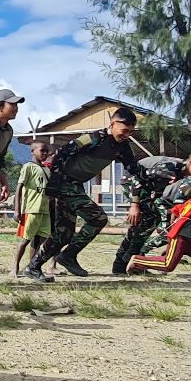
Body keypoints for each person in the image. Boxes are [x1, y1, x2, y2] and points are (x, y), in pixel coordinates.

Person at [42, 106, 143, 277]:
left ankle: (35, 266)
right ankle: (68, 255)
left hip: (76, 185)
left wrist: (137, 198)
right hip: (66, 183)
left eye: (130, 132)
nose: (126, 135)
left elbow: (134, 171)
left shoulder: (123, 147)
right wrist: (54, 183)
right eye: (124, 130)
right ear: (112, 124)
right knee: (98, 218)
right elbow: (63, 152)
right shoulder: (94, 138)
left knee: (64, 233)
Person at [128, 174, 191, 290]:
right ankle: (137, 260)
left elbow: (175, 210)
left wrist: (173, 226)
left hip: (190, 239)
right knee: (168, 264)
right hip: (182, 238)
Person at [109, 151, 191, 276]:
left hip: (145, 188)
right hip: (132, 183)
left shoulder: (184, 173)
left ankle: (122, 263)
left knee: (142, 223)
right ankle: (129, 261)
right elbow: (137, 178)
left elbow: (159, 187)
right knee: (150, 218)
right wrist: (135, 205)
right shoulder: (170, 167)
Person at [13, 141, 52, 278]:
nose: (45, 154)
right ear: (33, 152)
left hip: (44, 210)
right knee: (25, 240)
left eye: (47, 151)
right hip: (31, 209)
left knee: (42, 239)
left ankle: (32, 266)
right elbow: (19, 188)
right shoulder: (28, 167)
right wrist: (17, 210)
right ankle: (15, 268)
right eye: (42, 151)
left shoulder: (46, 169)